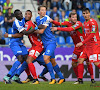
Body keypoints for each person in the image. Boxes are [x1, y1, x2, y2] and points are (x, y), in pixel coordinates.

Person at [50, 12, 95, 84]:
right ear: (70, 18)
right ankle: (79, 79)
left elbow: (70, 29)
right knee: (74, 63)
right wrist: (53, 21)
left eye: (75, 17)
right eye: (73, 17)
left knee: (87, 62)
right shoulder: (68, 23)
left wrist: (57, 28)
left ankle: (92, 79)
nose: (74, 19)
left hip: (84, 46)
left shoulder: (79, 23)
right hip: (77, 47)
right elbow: (60, 23)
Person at [34, 5, 65, 84]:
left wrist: (33, 30)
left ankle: (53, 78)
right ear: (38, 12)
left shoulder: (47, 18)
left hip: (51, 41)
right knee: (53, 61)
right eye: (42, 10)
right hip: (45, 43)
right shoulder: (37, 19)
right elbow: (38, 27)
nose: (44, 12)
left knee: (45, 58)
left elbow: (42, 30)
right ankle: (61, 77)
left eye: (45, 10)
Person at [3, 9, 29, 84]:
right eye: (19, 14)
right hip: (14, 42)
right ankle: (7, 77)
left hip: (19, 42)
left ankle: (16, 76)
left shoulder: (23, 19)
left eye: (21, 13)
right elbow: (22, 34)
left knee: (27, 58)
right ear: (16, 16)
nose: (21, 15)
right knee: (20, 58)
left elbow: (29, 21)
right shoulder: (16, 23)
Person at [76, 8, 100, 84]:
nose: (85, 15)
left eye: (87, 13)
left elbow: (92, 34)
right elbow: (87, 35)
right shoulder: (85, 23)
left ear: (89, 13)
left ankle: (92, 79)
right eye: (84, 13)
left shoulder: (93, 22)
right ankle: (80, 80)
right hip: (88, 45)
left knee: (96, 63)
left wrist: (82, 42)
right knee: (80, 60)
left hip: (94, 45)